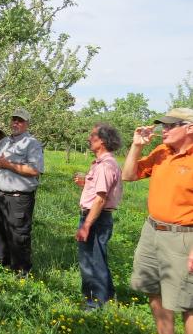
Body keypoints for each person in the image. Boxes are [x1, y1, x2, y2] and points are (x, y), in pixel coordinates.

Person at [122, 108, 193, 334]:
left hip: (183, 237)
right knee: (154, 290)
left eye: (172, 125)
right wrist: (137, 145)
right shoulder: (162, 151)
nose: (165, 130)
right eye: (164, 125)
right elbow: (129, 175)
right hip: (152, 231)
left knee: (187, 302)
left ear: (190, 128)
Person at [74, 123, 123, 310]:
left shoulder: (104, 165)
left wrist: (86, 225)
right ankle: (108, 297)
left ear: (101, 140)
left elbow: (101, 200)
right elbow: (101, 192)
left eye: (92, 135)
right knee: (98, 259)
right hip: (98, 216)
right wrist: (86, 184)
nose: (88, 138)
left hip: (96, 217)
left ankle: (94, 303)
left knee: (91, 262)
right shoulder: (105, 163)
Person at [0, 108, 44, 275]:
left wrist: (8, 165)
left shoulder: (32, 143)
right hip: (0, 196)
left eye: (20, 120)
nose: (15, 123)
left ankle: (21, 271)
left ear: (27, 123)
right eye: (14, 119)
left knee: (18, 235)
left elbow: (35, 170)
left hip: (18, 198)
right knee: (0, 232)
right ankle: (2, 265)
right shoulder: (3, 142)